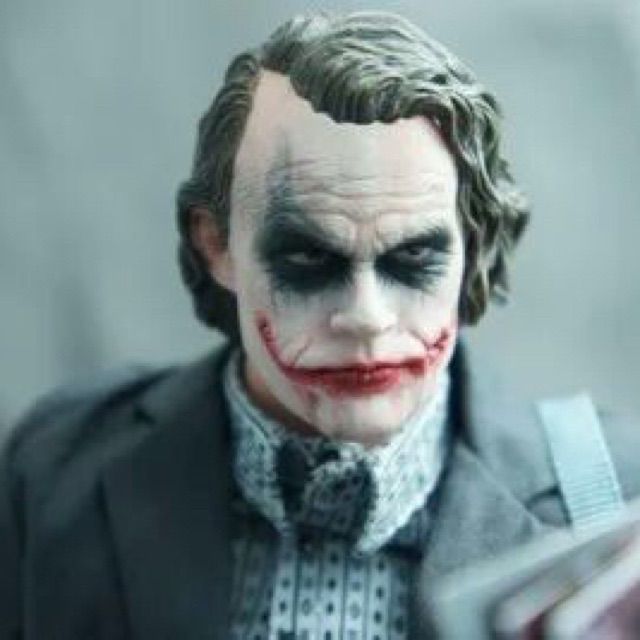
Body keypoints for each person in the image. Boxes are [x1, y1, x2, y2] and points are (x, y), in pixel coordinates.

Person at [1, 11, 638, 640]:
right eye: (307, 260)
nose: (365, 318)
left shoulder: (617, 498)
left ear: (476, 245)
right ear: (216, 244)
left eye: (414, 257)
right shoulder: (57, 471)